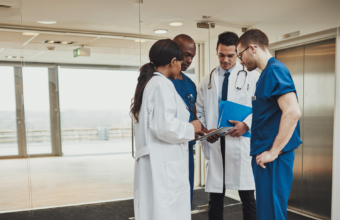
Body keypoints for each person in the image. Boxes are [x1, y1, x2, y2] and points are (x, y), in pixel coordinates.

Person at [131, 39, 203, 220]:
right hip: (163, 163)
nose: (182, 66)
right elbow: (164, 127)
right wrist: (190, 127)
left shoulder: (151, 84)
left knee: (157, 210)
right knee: (166, 211)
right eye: (181, 61)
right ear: (173, 62)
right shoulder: (162, 85)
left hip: (159, 160)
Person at [236, 29, 302, 220]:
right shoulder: (266, 74)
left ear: (252, 48)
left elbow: (293, 112)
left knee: (271, 214)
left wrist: (273, 152)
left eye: (240, 55)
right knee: (266, 212)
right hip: (266, 157)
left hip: (273, 158)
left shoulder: (274, 70)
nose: (240, 60)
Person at [196, 31, 259, 220]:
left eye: (230, 55)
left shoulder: (252, 76)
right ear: (216, 50)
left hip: (239, 144)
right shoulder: (207, 80)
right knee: (215, 199)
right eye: (221, 54)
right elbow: (199, 111)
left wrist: (246, 125)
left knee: (248, 198)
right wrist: (207, 132)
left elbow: (262, 109)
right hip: (216, 144)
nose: (225, 60)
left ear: (238, 53)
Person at [169, 34, 197, 206]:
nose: (188, 60)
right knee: (170, 201)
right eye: (186, 54)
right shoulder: (162, 82)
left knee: (186, 200)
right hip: (169, 152)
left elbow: (194, 116)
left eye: (192, 56)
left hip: (187, 151)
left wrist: (204, 130)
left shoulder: (190, 84)